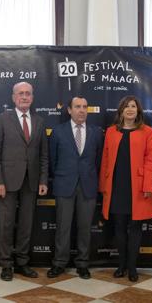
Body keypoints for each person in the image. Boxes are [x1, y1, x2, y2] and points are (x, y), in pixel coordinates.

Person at [0, 81, 49, 281]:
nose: (24, 97)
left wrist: (43, 180)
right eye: (20, 94)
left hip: (31, 181)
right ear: (13, 97)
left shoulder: (40, 121)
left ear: (32, 97)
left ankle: (22, 262)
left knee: (26, 224)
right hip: (6, 181)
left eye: (28, 94)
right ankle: (6, 264)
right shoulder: (2, 119)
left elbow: (43, 155)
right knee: (6, 224)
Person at [99, 95, 152, 282]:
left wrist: (149, 185)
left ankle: (132, 267)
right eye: (126, 106)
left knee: (135, 227)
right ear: (121, 111)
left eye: (133, 106)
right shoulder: (111, 131)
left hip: (138, 187)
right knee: (119, 227)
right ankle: (121, 265)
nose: (130, 109)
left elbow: (151, 160)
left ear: (138, 111)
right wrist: (103, 186)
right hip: (116, 186)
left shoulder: (147, 131)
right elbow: (105, 160)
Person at [47, 97, 102, 279]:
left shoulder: (96, 132)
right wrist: (63, 176)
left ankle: (83, 264)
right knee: (63, 227)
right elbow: (52, 162)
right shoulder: (58, 131)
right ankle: (59, 263)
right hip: (64, 184)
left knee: (85, 227)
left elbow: (99, 161)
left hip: (88, 186)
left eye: (85, 107)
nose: (82, 110)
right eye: (77, 107)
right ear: (69, 110)